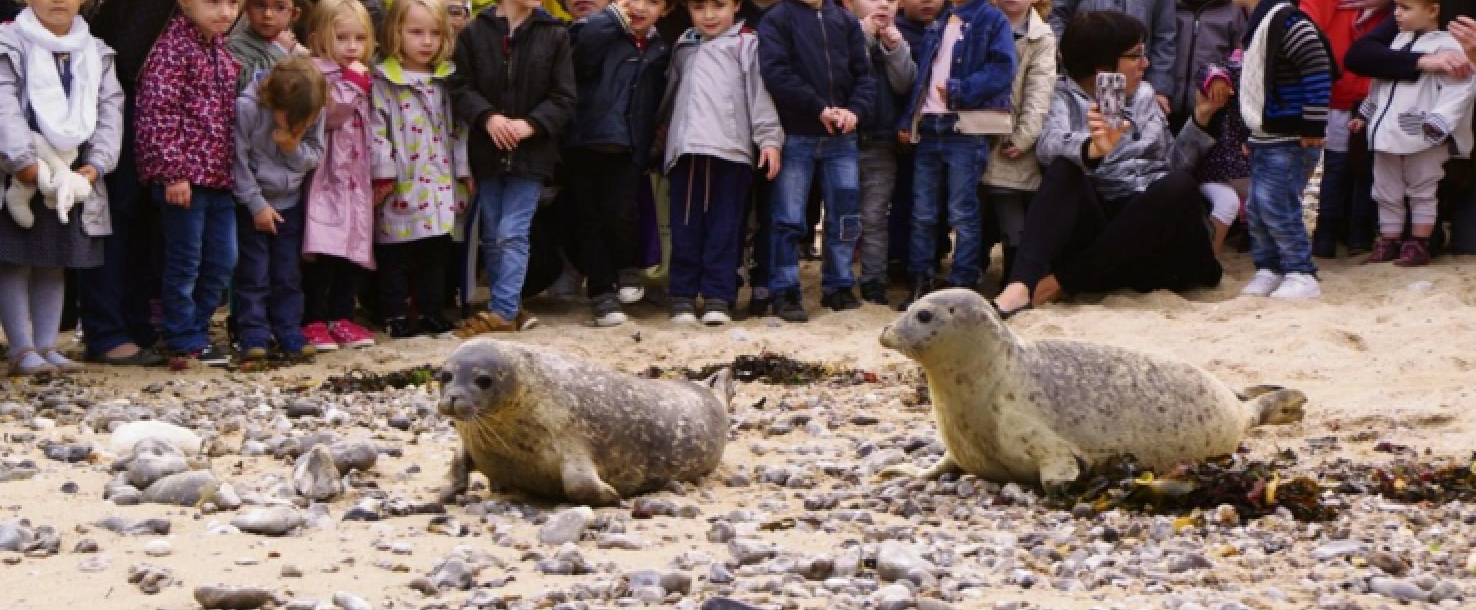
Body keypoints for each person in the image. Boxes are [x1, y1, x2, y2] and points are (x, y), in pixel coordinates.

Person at [991, 10, 1225, 316]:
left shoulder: (1144, 94)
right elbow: (1049, 146)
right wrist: (1093, 148)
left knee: (1179, 185)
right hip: (1103, 229)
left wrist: (1201, 118)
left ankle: (1061, 282)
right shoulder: (1062, 97)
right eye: (1135, 56)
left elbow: (1172, 165)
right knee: (1065, 168)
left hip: (1156, 239)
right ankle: (1019, 287)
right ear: (1103, 68)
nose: (1146, 64)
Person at [0, 0, 124, 375]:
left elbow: (110, 110)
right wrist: (23, 162)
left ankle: (47, 344)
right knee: (16, 261)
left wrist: (96, 166)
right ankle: (21, 347)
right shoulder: (9, 43)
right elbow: (3, 104)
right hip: (20, 172)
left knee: (55, 261)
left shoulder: (96, 52)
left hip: (70, 176)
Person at [448, 0, 575, 334]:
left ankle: (503, 312)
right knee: (492, 234)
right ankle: (508, 306)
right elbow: (460, 87)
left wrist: (532, 125)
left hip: (532, 155)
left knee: (512, 232)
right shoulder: (474, 33)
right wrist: (488, 118)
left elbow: (564, 97)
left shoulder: (555, 33)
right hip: (487, 154)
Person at [660, 0, 784, 325]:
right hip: (687, 150)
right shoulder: (684, 45)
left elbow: (760, 95)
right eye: (699, 7)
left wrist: (769, 139)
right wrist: (660, 136)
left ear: (736, 5)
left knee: (725, 227)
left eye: (719, 5)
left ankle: (719, 296)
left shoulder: (747, 42)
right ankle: (683, 296)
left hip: (731, 150)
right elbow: (670, 94)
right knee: (685, 226)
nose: (709, 15)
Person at [135, 0, 243, 366]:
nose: (225, 12)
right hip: (184, 179)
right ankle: (181, 335)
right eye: (213, 2)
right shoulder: (171, 49)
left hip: (220, 177)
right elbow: (158, 112)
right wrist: (173, 172)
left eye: (233, 3)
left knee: (223, 259)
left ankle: (196, 326)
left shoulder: (220, 49)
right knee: (185, 260)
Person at [758, 0, 877, 323]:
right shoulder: (777, 18)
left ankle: (839, 286)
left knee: (844, 217)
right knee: (788, 218)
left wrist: (855, 111)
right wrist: (817, 108)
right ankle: (784, 291)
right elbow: (776, 73)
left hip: (842, 135)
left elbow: (864, 76)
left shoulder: (846, 20)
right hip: (796, 132)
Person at [895, 0, 1016, 310]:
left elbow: (1004, 68)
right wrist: (909, 119)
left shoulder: (992, 20)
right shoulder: (940, 19)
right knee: (922, 212)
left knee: (962, 211)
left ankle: (963, 283)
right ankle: (920, 280)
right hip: (930, 125)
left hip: (964, 126)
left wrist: (962, 88)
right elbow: (922, 77)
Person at [565, 0, 672, 327]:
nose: (638, 7)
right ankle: (601, 292)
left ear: (665, 10)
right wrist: (611, 18)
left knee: (624, 211)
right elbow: (580, 56)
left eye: (651, 2)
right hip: (587, 140)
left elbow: (657, 99)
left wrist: (652, 143)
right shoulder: (592, 29)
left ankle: (627, 268)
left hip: (630, 146)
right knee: (590, 218)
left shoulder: (660, 47)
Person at [368, 0, 469, 337]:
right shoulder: (384, 79)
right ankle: (395, 314)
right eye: (416, 32)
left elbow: (458, 129)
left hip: (439, 180)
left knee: (436, 251)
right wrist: (383, 171)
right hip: (400, 180)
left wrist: (464, 170)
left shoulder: (447, 79)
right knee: (396, 251)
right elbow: (376, 127)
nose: (426, 41)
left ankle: (431, 311)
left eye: (435, 33)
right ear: (396, 33)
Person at [1349, 0, 1476, 266]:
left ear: (1432, 11)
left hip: (1424, 134)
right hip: (1386, 132)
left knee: (1423, 188)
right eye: (1396, 6)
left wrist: (1440, 121)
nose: (1396, 13)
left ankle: (1419, 243)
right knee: (1385, 189)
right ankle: (1388, 241)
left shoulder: (1449, 45)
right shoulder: (1396, 42)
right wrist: (1365, 113)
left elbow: (1460, 90)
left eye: (1405, 8)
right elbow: (1379, 84)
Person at [1234, 0, 1334, 299]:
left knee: (1278, 206)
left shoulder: (1289, 21)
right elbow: (1252, 87)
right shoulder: (1258, 23)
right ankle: (1270, 268)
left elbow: (1317, 68)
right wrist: (1247, 130)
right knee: (1257, 208)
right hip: (1265, 135)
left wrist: (1314, 125)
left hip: (1290, 136)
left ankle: (1301, 272)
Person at [232, 58, 327, 361]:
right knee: (254, 273)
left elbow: (314, 156)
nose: (304, 126)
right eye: (296, 121)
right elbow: (237, 162)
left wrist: (292, 148)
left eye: (308, 121)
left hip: (290, 203)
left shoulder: (314, 112)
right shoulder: (247, 109)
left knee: (287, 273)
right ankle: (253, 334)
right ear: (275, 105)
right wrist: (256, 204)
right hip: (254, 204)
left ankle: (288, 331)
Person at [300, 0, 377, 351]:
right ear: (317, 38)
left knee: (352, 249)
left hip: (356, 179)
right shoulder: (315, 74)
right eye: (342, 37)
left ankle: (342, 316)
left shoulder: (362, 74)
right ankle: (312, 318)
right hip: (325, 176)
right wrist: (352, 84)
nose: (352, 47)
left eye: (360, 38)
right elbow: (328, 117)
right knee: (322, 249)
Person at [843, 0, 915, 307]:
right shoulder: (843, 33)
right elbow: (842, 74)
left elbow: (905, 84)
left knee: (875, 218)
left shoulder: (899, 40)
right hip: (844, 141)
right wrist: (864, 38)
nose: (883, 3)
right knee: (842, 216)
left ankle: (873, 280)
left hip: (882, 143)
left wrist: (895, 49)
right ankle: (840, 280)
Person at [1304, 0, 1388, 258]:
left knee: (1369, 169)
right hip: (1338, 99)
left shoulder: (1391, 9)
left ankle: (1359, 235)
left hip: (1377, 96)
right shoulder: (1327, 3)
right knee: (1336, 168)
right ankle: (1326, 234)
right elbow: (1309, 24)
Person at [980, 0, 1055, 283]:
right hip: (977, 132)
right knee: (970, 207)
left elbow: (1040, 92)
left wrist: (1024, 136)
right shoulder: (979, 24)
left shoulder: (1042, 36)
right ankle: (973, 264)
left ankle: (1013, 274)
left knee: (1009, 198)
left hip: (1014, 138)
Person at [1049, 0, 1176, 115]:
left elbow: (1164, 36)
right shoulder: (1057, 102)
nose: (1146, 63)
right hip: (1082, 77)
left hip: (1133, 81)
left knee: (1115, 120)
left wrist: (1159, 88)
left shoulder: (1145, 97)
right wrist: (1071, 56)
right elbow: (1056, 15)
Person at [1191, 52, 1250, 255]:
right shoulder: (1240, 71)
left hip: (1242, 168)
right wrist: (1217, 78)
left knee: (1269, 196)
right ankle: (1209, 256)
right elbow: (1207, 68)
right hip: (1214, 167)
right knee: (1229, 201)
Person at [1169, 0, 1246, 131]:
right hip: (1168, 106)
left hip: (1212, 109)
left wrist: (1221, 74)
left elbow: (1241, 57)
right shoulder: (1170, 8)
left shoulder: (1232, 11)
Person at [230, 0, 307, 93]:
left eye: (280, 8)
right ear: (247, 9)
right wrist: (277, 51)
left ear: (294, 14)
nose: (268, 14)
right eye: (259, 5)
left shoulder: (299, 52)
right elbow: (241, 85)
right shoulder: (235, 46)